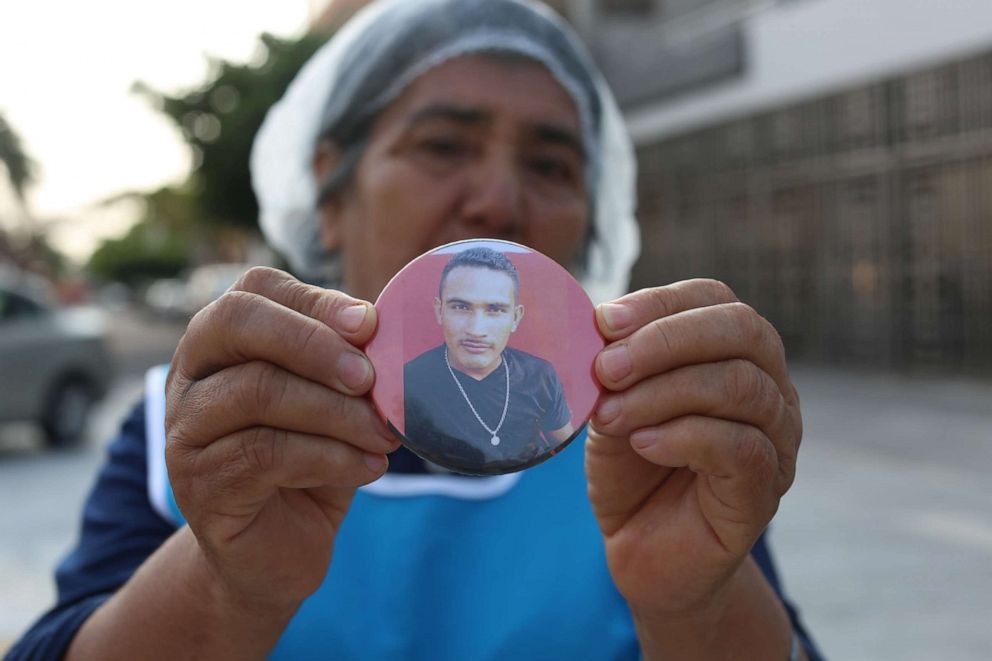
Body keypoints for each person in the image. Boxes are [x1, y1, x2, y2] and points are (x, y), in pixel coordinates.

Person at [7, 0, 823, 659]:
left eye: (550, 165)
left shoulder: (652, 441)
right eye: (442, 145)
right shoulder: (199, 428)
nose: (500, 202)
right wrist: (227, 584)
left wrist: (698, 605)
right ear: (330, 189)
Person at [403, 245, 574, 474]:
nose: (476, 330)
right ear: (439, 311)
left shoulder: (540, 374)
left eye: (494, 310)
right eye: (461, 307)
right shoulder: (409, 380)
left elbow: (570, 453)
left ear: (515, 317)